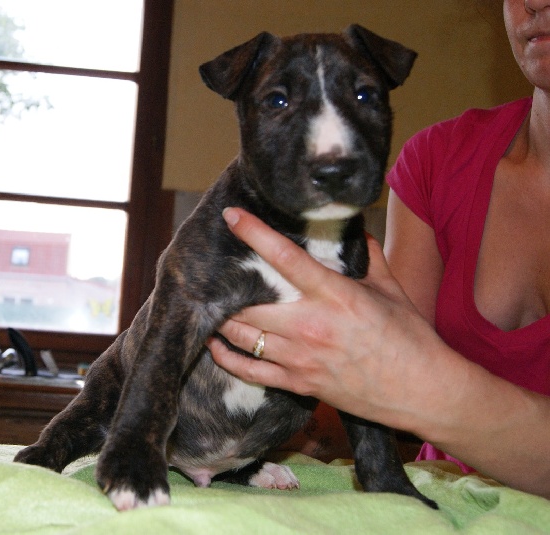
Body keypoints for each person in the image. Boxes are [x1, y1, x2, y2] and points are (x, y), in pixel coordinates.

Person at [206, 0, 550, 499]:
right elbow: (371, 381)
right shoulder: (436, 160)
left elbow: (400, 378)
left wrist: (428, 390)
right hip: (448, 499)